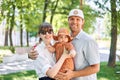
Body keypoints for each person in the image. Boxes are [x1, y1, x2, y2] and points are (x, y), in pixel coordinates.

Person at [29, 9, 100, 80]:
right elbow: (45, 43)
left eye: (78, 19)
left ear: (83, 22)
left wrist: (73, 74)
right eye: (72, 19)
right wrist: (29, 54)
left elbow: (96, 68)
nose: (74, 22)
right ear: (68, 21)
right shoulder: (64, 39)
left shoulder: (88, 41)